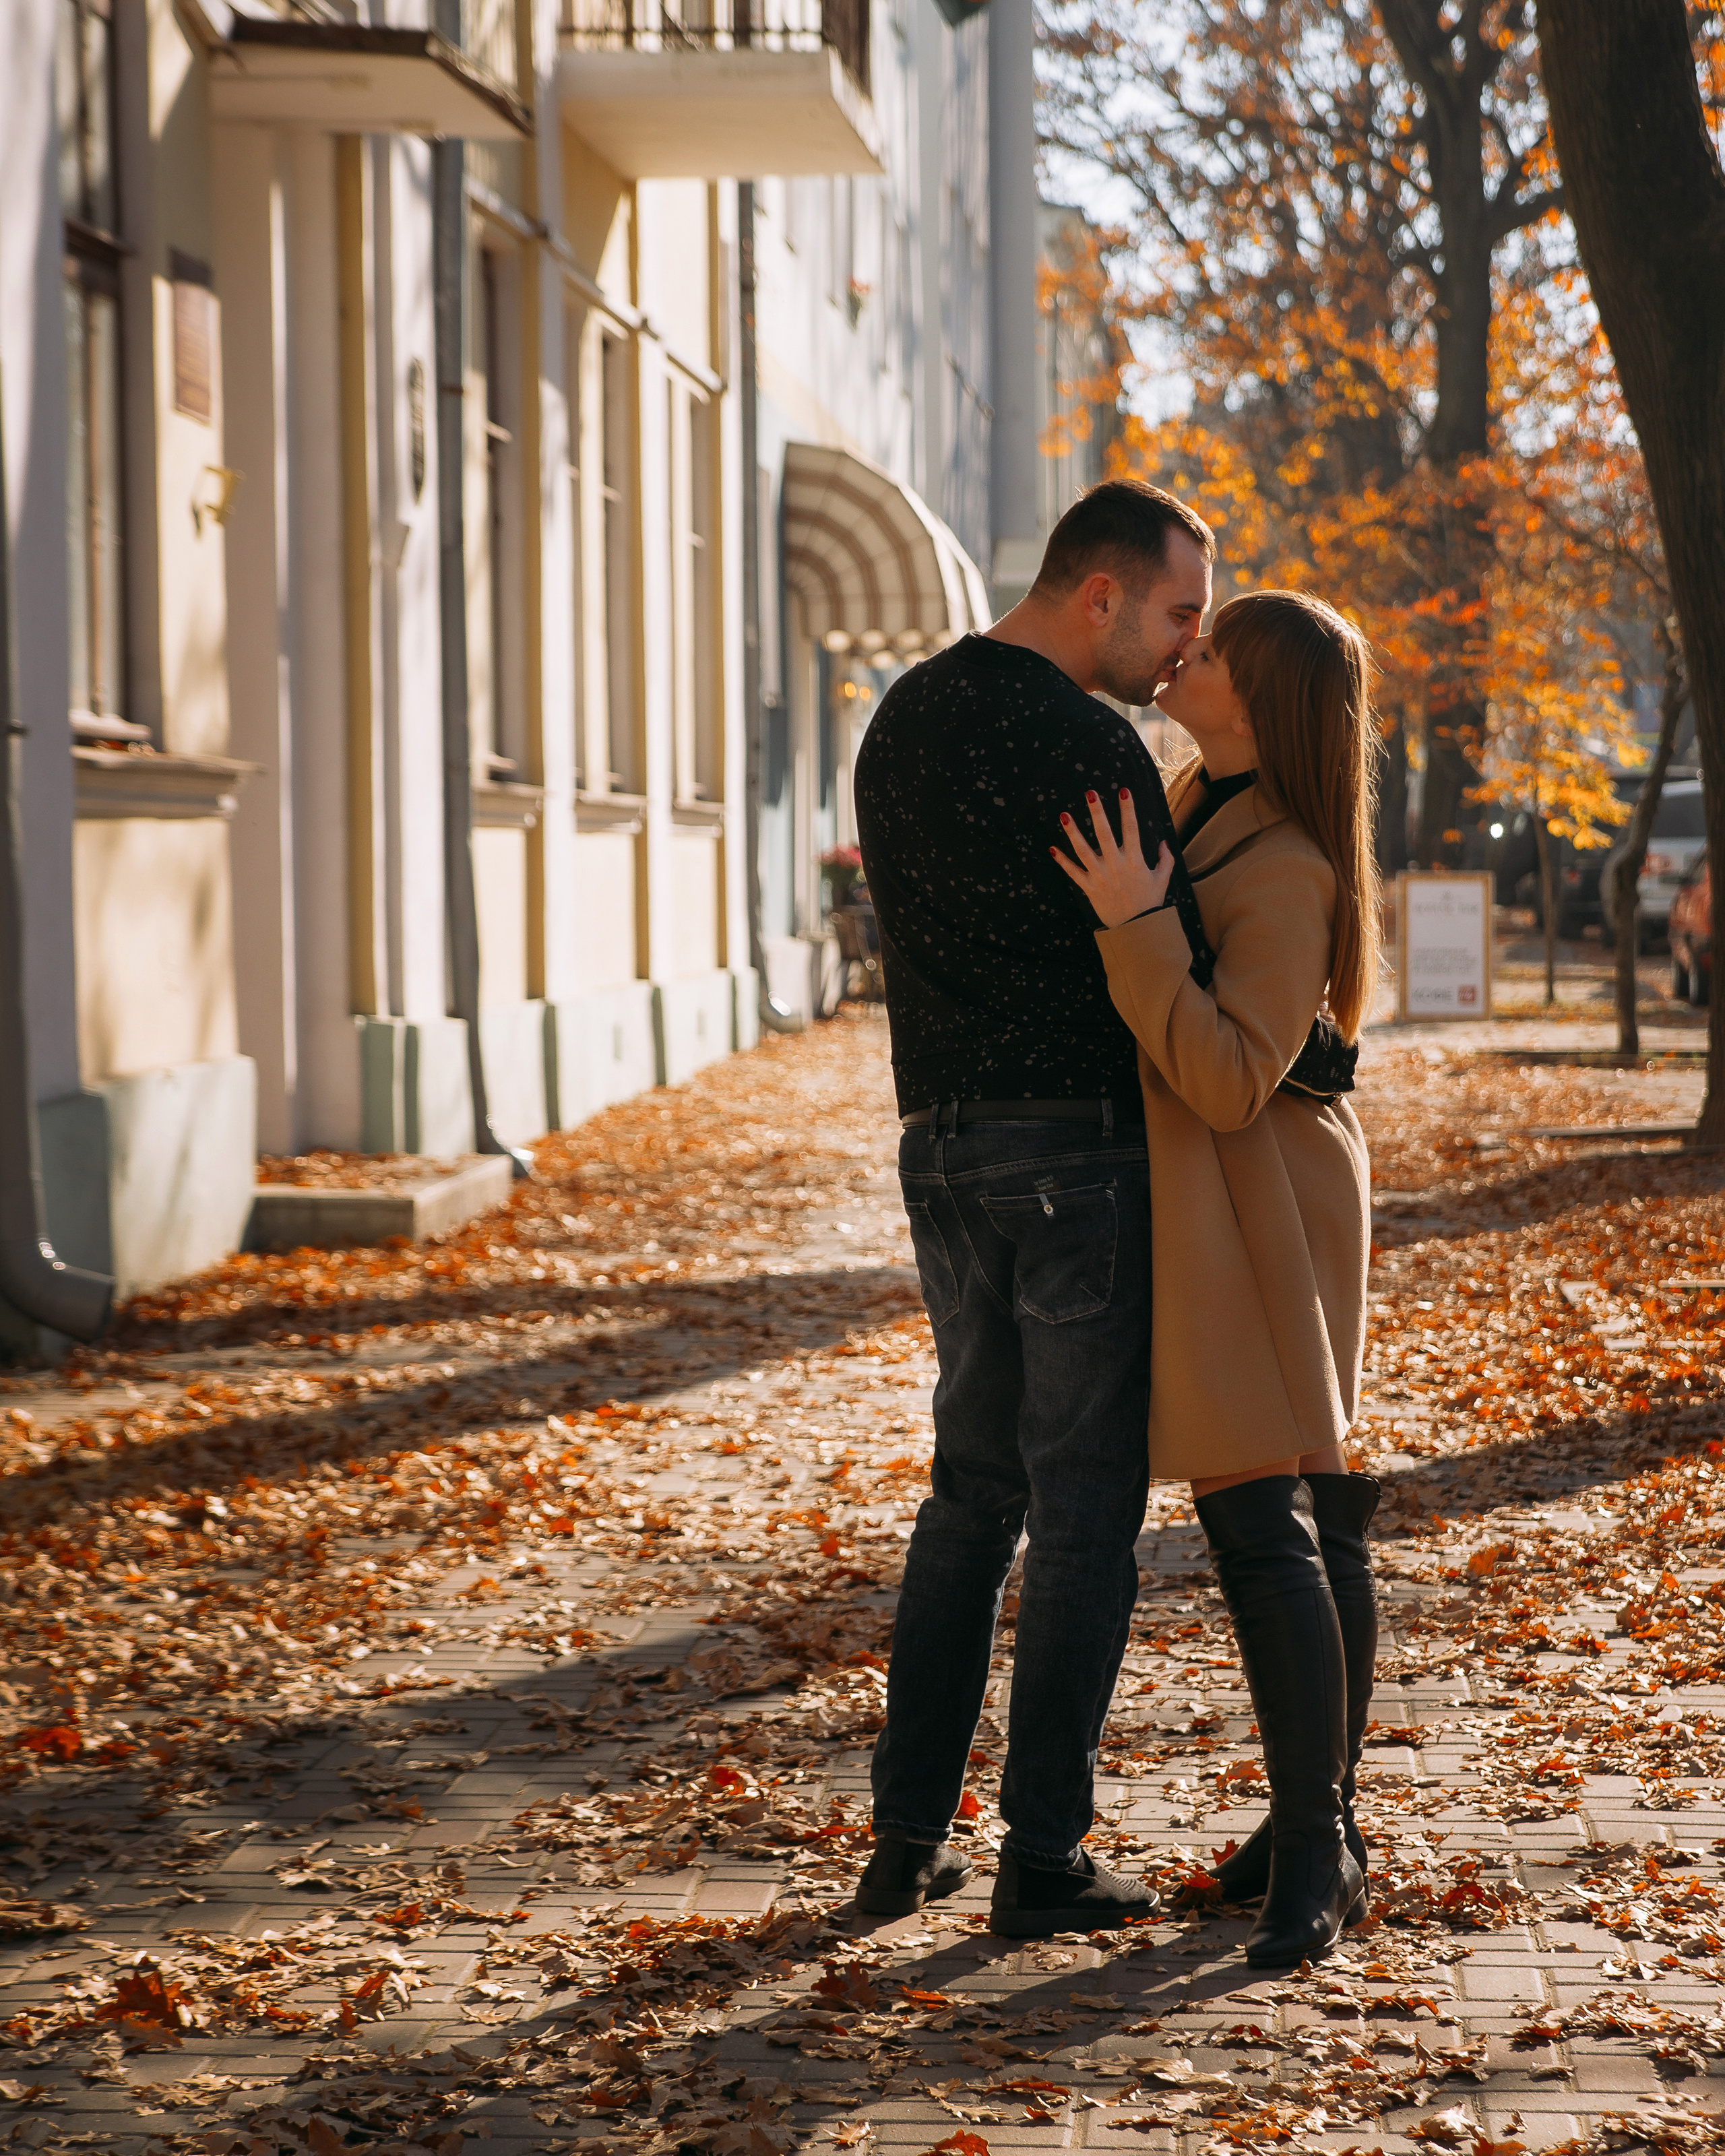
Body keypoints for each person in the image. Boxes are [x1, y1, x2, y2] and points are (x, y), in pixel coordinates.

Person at [852, 480, 1216, 1938]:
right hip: (1076, 1154)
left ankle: (903, 1842)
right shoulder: (1090, 745)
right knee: (1080, 1511)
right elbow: (1173, 955)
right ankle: (1041, 1858)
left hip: (938, 1149)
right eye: (1177, 613)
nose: (1184, 648)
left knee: (968, 1494)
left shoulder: (901, 718)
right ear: (1098, 593)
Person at [1053, 588, 1381, 1967]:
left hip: (1267, 1201)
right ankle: (1324, 1822)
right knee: (1301, 1502)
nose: (1185, 652)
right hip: (1231, 1196)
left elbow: (1233, 1074)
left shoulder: (1290, 860)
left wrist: (1135, 922)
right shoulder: (1202, 796)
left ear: (1260, 698)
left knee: (1261, 1514)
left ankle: (1314, 1848)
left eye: (1215, 646)